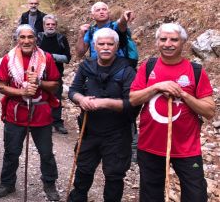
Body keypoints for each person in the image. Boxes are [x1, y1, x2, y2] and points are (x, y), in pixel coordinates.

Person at [130, 23, 215, 202]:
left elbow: (209, 111)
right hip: (150, 144)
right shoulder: (148, 67)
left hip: (186, 147)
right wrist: (156, 87)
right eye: (163, 39)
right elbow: (133, 99)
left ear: (183, 42)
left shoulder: (195, 70)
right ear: (157, 42)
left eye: (174, 39)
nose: (168, 44)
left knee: (196, 195)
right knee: (150, 195)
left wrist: (183, 94)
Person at [67, 28, 138, 202]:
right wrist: (81, 99)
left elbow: (133, 104)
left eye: (110, 44)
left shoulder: (127, 70)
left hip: (118, 133)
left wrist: (104, 103)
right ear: (95, 46)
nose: (105, 47)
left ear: (116, 46)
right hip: (89, 129)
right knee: (83, 170)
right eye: (101, 44)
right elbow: (73, 90)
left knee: (114, 176)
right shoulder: (86, 66)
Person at [0, 25, 61, 201]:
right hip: (15, 113)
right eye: (22, 37)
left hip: (40, 112)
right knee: (11, 151)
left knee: (46, 152)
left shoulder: (46, 58)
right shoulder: (8, 59)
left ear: (35, 39)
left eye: (30, 37)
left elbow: (55, 85)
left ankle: (49, 183)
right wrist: (22, 93)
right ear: (17, 39)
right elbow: (1, 87)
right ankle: (7, 183)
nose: (26, 41)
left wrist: (39, 82)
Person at [37, 15, 71, 134]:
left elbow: (67, 58)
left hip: (56, 74)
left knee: (56, 98)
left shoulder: (61, 38)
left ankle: (56, 122)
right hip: (39, 74)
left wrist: (50, 57)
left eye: (53, 24)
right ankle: (40, 122)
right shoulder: (38, 37)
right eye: (48, 24)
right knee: (39, 97)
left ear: (56, 26)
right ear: (43, 25)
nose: (50, 26)